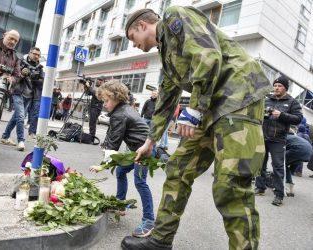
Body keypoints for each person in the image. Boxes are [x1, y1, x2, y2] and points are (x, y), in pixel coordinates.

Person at [122, 6, 272, 249]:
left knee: (230, 185)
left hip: (238, 98)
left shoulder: (175, 16)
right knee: (177, 169)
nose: (133, 44)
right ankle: (160, 240)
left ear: (142, 26)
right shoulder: (167, 54)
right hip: (210, 106)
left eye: (132, 38)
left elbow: (208, 55)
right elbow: (166, 101)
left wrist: (194, 110)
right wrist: (150, 142)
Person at [92, 80, 155, 237]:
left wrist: (103, 165)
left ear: (116, 97)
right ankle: (121, 205)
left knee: (140, 182)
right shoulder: (122, 110)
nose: (104, 104)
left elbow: (114, 145)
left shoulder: (121, 114)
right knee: (121, 171)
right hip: (135, 151)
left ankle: (149, 220)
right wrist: (105, 146)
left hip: (144, 152)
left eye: (106, 101)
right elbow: (113, 134)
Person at [255, 76, 302, 206]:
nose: (276, 88)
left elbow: (298, 119)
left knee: (278, 167)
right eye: (275, 85)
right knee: (260, 164)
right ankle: (260, 187)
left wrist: (281, 115)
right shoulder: (267, 99)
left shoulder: (292, 102)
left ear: (285, 88)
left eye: (279, 86)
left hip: (278, 139)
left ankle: (279, 195)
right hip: (263, 136)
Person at [0, 47, 42, 150]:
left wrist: (35, 78)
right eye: (34, 53)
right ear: (29, 53)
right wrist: (23, 74)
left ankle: (5, 137)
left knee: (15, 117)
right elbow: (14, 77)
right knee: (21, 116)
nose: (36, 56)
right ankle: (21, 141)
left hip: (30, 96)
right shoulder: (20, 62)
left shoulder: (39, 67)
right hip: (18, 92)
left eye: (38, 55)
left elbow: (42, 83)